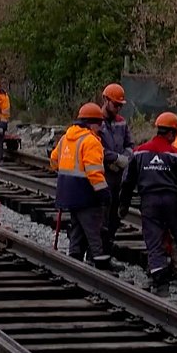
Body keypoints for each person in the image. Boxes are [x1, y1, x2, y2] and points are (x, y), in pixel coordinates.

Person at [118, 112, 177, 293]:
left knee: (154, 240)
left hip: (150, 202)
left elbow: (127, 181)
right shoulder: (176, 155)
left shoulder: (139, 152)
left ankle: (161, 283)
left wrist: (123, 204)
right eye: (175, 135)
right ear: (170, 133)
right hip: (173, 202)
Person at [49, 103, 112, 269]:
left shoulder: (66, 138)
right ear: (92, 123)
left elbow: (54, 161)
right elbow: (94, 172)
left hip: (67, 194)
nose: (101, 128)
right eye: (100, 124)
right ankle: (101, 263)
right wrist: (104, 193)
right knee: (95, 231)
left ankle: (74, 260)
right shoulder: (91, 141)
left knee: (77, 229)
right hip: (86, 195)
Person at [98, 83, 134, 255]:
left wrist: (124, 158)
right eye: (115, 104)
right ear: (106, 100)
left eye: (120, 105)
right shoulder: (95, 121)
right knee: (102, 216)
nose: (118, 108)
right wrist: (113, 158)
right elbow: (94, 146)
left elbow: (130, 145)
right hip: (102, 175)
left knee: (114, 217)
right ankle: (97, 253)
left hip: (118, 177)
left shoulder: (121, 122)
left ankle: (107, 251)